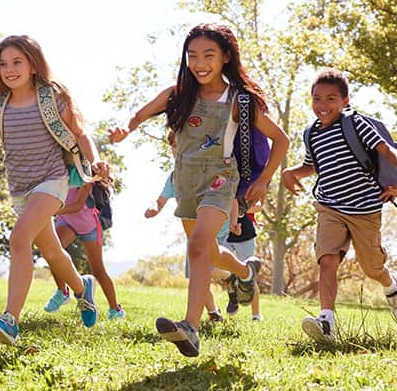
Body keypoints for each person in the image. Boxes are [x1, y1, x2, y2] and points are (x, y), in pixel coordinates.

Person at [111, 23, 290, 357]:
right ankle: (244, 271)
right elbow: (140, 114)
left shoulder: (239, 99)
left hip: (221, 178)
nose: (199, 62)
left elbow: (282, 139)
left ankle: (190, 327)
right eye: (192, 56)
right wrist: (126, 128)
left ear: (225, 57)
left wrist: (263, 180)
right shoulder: (177, 94)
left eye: (208, 55)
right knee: (207, 252)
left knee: (196, 248)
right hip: (185, 181)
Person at [0, 35, 109, 345]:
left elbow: (80, 134)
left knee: (19, 238)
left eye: (17, 62)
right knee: (51, 251)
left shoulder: (51, 98)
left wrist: (97, 162)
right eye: (3, 64)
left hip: (52, 182)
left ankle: (10, 319)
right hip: (20, 188)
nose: (9, 69)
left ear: (33, 65)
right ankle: (82, 288)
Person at [281, 68, 397, 343]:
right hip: (329, 206)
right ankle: (327, 322)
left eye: (331, 99)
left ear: (345, 100)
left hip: (365, 208)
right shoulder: (311, 133)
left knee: (372, 268)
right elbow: (312, 165)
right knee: (327, 260)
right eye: (317, 99)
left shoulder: (354, 124)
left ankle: (391, 286)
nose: (323, 105)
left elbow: (384, 149)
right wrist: (291, 172)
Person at [145, 131, 229, 323]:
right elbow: (161, 199)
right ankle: (214, 312)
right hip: (193, 232)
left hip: (219, 230)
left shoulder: (207, 169)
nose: (179, 150)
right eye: (175, 146)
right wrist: (154, 209)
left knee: (208, 269)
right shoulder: (174, 177)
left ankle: (232, 277)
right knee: (196, 275)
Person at [43, 179, 125, 320]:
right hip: (67, 221)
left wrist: (52, 210)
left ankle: (115, 309)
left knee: (98, 271)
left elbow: (77, 205)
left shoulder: (83, 176)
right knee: (52, 251)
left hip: (89, 226)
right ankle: (62, 292)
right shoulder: (57, 171)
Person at [223, 205, 263, 321]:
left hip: (245, 235)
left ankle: (256, 315)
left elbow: (259, 207)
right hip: (224, 233)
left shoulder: (247, 188)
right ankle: (233, 295)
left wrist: (237, 210)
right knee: (220, 268)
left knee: (249, 274)